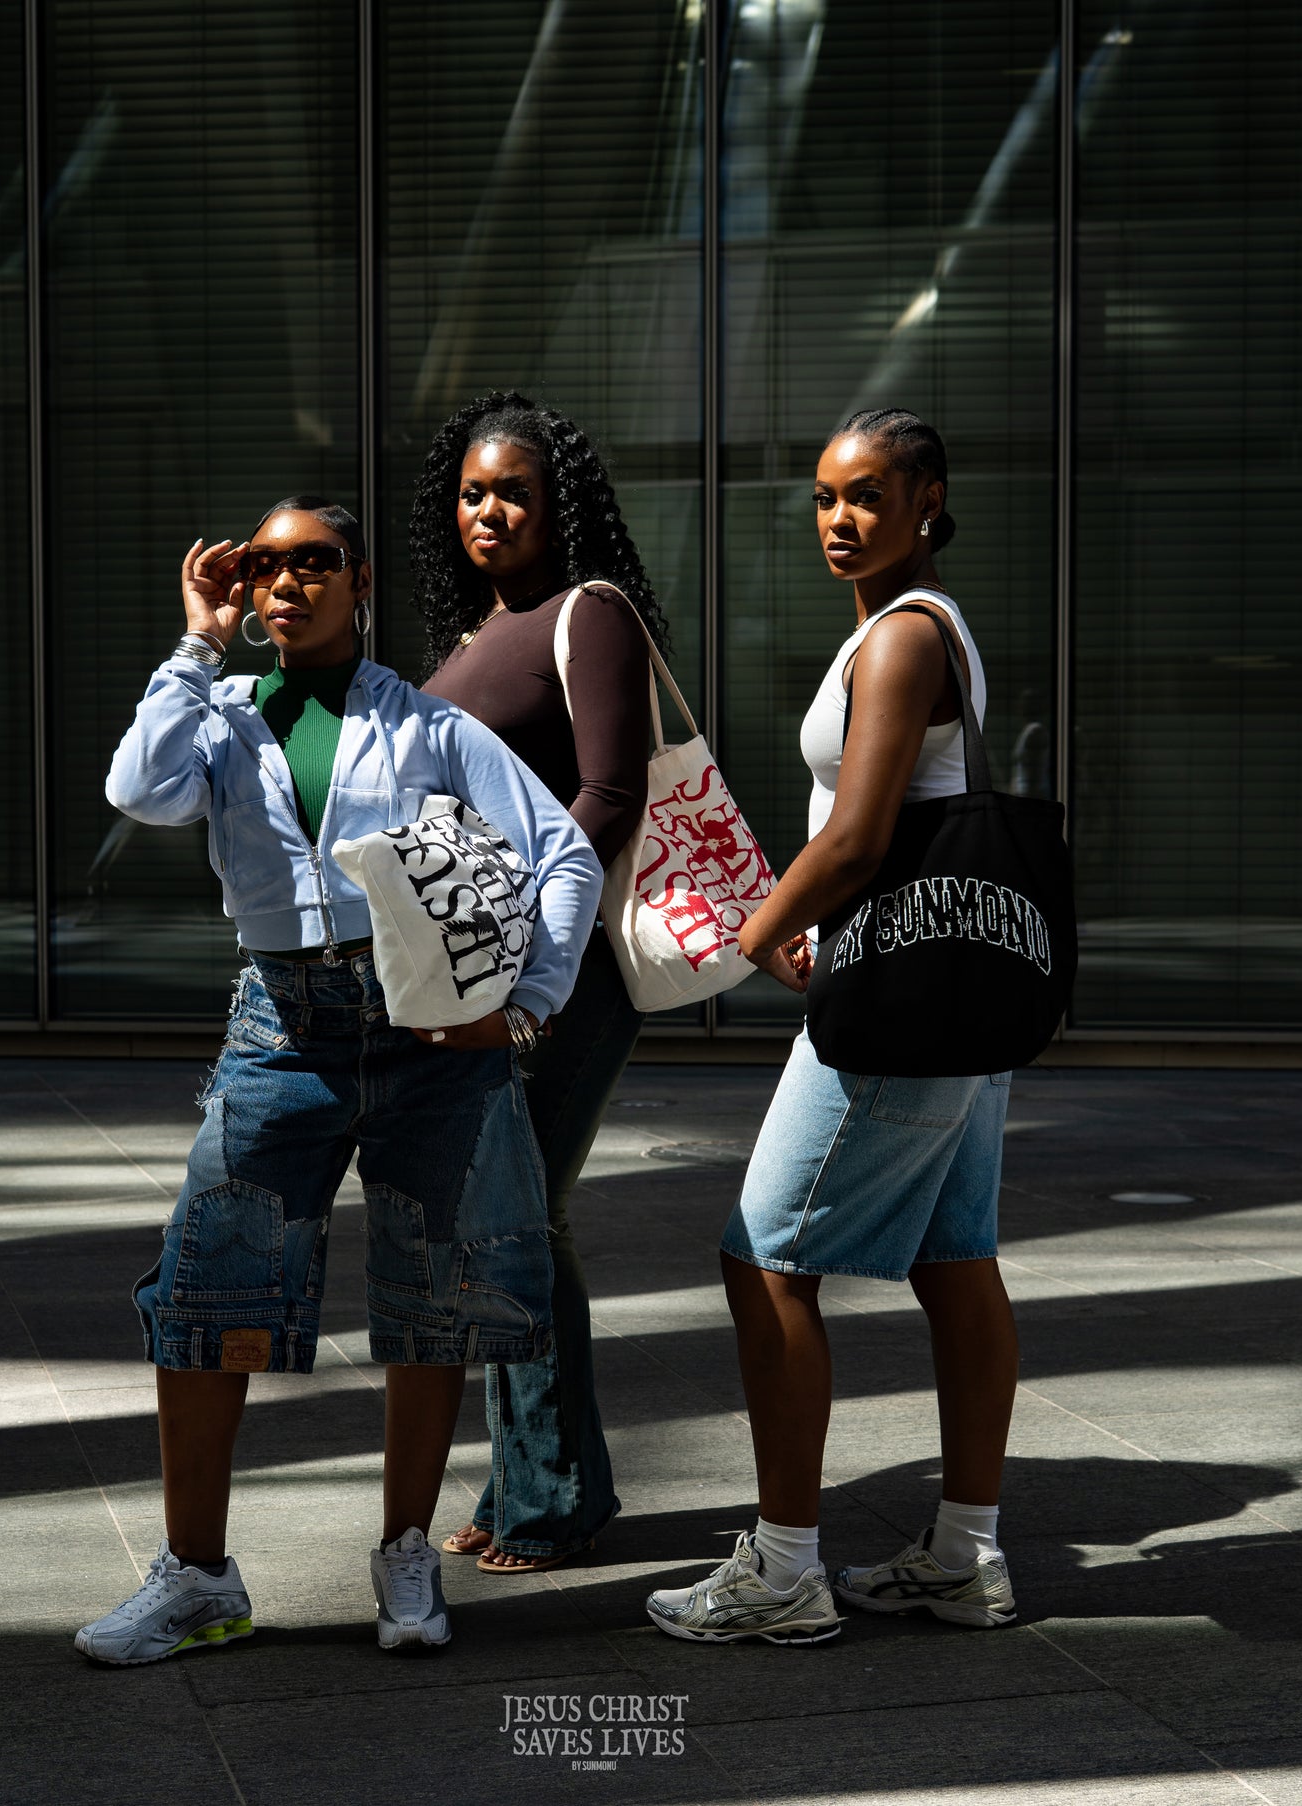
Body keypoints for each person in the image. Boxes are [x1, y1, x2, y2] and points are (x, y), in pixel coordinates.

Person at [75, 495, 601, 1663]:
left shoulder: (424, 724)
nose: (286, 583)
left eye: (314, 563)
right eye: (264, 567)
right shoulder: (214, 715)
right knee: (210, 1297)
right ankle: (198, 1577)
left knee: (433, 1302)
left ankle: (406, 1556)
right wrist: (194, 641)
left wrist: (528, 1005)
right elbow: (134, 792)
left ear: (359, 582)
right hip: (280, 1028)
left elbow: (561, 850)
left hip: (426, 1036)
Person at [646, 408, 1019, 1643]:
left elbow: (858, 836)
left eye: (866, 495)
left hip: (894, 1007)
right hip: (956, 999)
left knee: (761, 1258)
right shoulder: (907, 628)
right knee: (953, 1261)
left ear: (928, 500)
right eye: (821, 497)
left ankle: (785, 1568)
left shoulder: (905, 638)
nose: (839, 519)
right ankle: (965, 1555)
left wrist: (756, 933)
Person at [414, 392, 671, 1573]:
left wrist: (523, 942)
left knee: (521, 1213)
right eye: (472, 490)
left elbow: (610, 796)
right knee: (502, 1216)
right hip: (487, 966)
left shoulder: (588, 613)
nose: (489, 509)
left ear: (557, 499)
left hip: (563, 969)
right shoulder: (474, 633)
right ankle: (524, 1477)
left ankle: (554, 1495)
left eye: (512, 488)